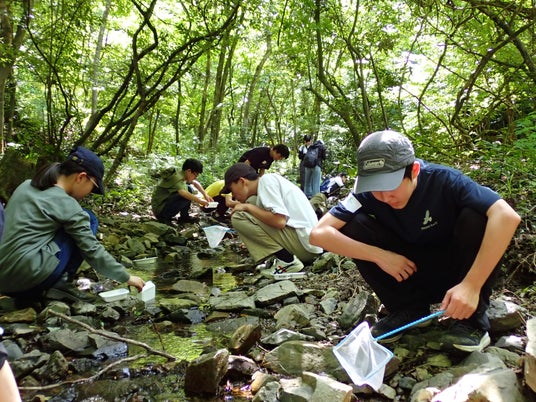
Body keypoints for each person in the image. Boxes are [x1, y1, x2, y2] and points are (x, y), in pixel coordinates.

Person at [310, 130, 520, 352]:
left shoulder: (445, 180)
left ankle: (472, 322)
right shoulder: (365, 194)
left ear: (414, 170)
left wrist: (471, 285)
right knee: (354, 225)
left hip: (457, 275)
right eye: (376, 188)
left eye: (390, 185)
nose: (384, 197)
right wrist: (380, 256)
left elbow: (507, 216)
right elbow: (318, 233)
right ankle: (407, 309)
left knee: (476, 216)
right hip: (407, 271)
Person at [0, 146, 145, 306]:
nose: (89, 193)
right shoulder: (67, 204)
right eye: (93, 187)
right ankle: (61, 283)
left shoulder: (25, 186)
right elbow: (92, 250)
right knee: (89, 218)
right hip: (28, 281)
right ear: (81, 177)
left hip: (3, 280)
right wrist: (127, 277)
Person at [222, 163, 322, 278]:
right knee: (251, 202)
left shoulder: (266, 181)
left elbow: (279, 221)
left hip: (306, 247)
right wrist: (247, 206)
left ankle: (288, 261)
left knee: (238, 217)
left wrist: (247, 207)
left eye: (232, 189)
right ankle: (281, 259)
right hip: (307, 243)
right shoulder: (263, 187)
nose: (233, 195)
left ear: (242, 181)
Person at [151, 158, 213, 225]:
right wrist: (200, 201)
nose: (195, 177)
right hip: (160, 209)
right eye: (195, 175)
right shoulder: (176, 177)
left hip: (165, 202)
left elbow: (195, 182)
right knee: (186, 196)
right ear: (189, 171)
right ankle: (164, 218)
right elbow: (183, 193)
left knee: (189, 189)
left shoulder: (181, 172)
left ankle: (184, 217)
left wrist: (205, 195)